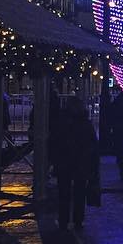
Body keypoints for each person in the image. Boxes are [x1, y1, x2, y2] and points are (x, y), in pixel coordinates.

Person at [51, 96, 100, 233]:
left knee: (64, 193)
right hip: (81, 163)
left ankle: (64, 220)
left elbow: (55, 142)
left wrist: (54, 160)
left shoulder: (62, 122)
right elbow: (93, 145)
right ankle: (78, 220)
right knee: (79, 193)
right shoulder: (86, 124)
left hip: (65, 163)